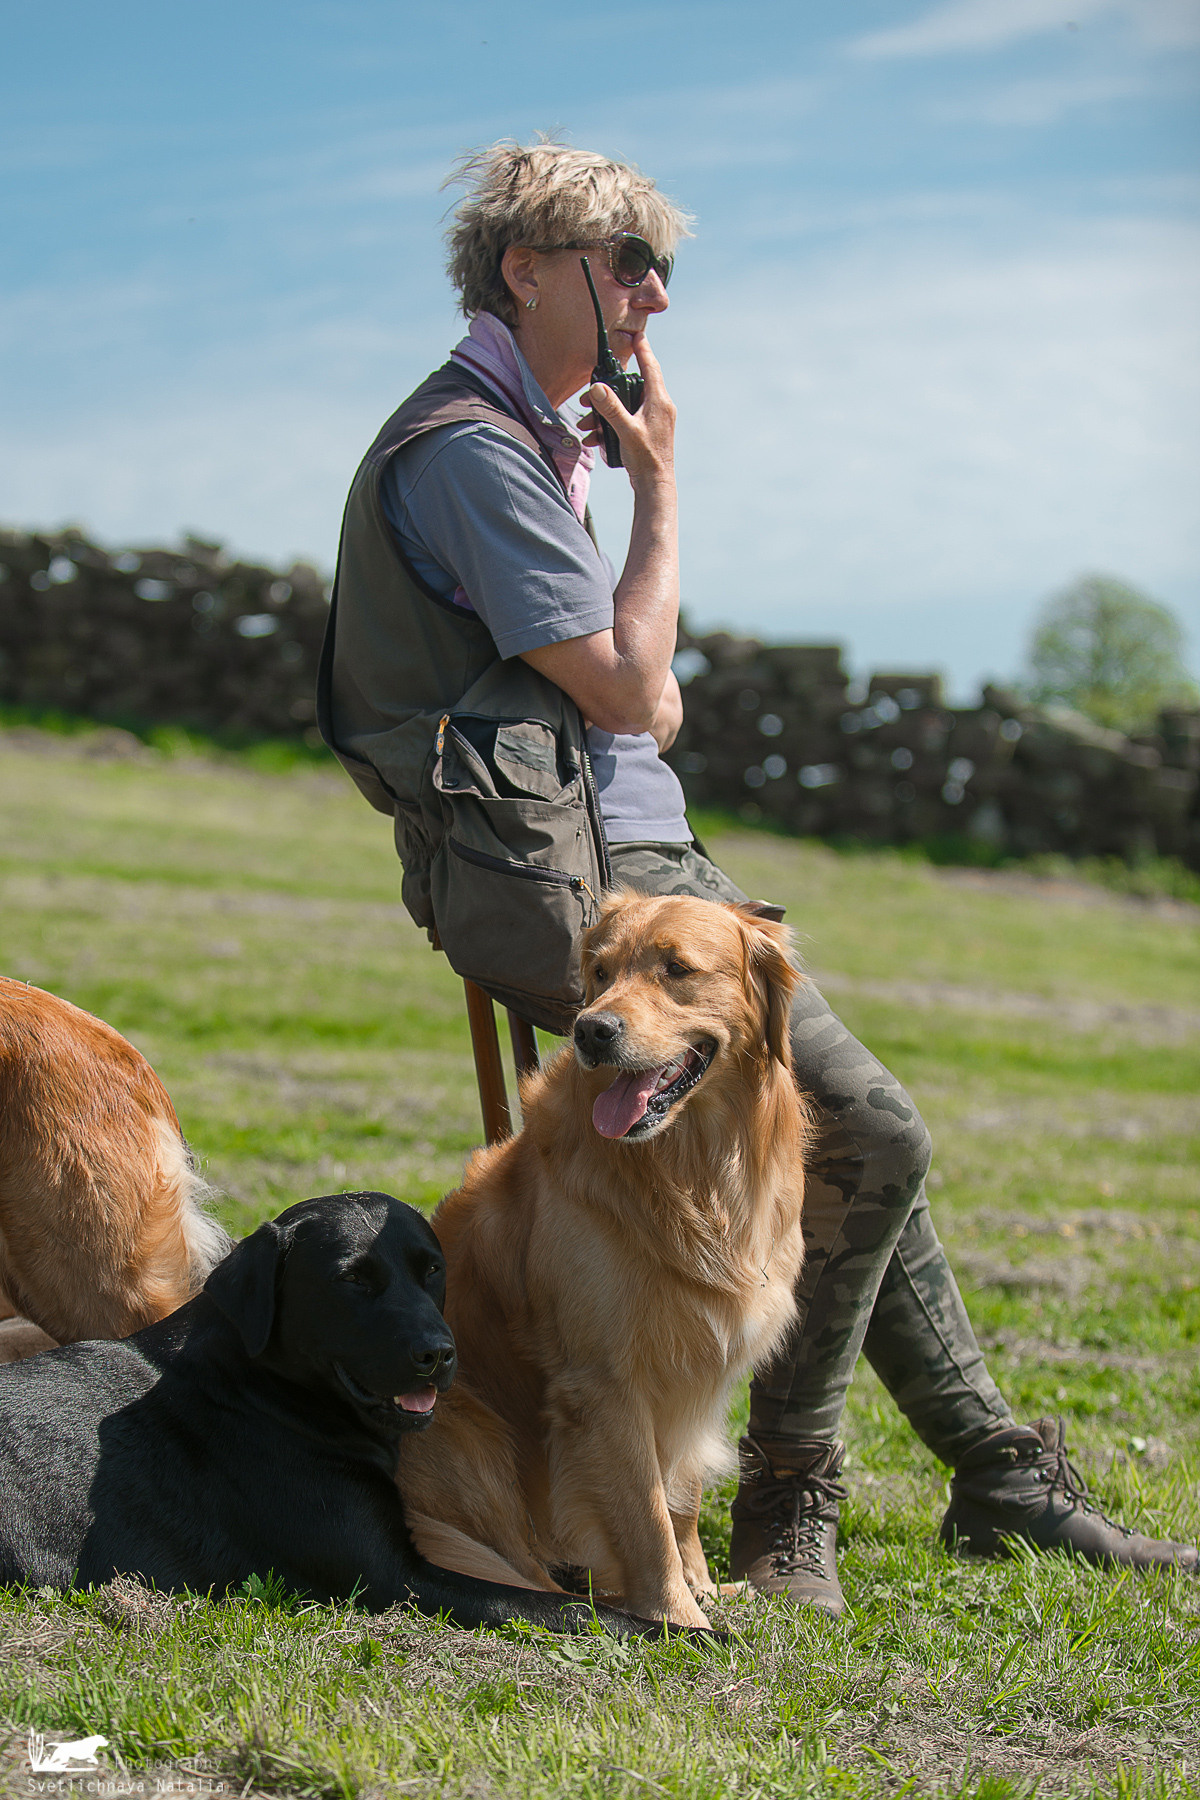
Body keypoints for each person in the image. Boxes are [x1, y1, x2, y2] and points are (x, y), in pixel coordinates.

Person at [321, 139, 1197, 1614]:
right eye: (623, 261)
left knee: (841, 1131)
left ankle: (990, 1470)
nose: (653, 293)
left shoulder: (529, 438)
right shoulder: (474, 450)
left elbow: (640, 701)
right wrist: (661, 492)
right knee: (875, 1130)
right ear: (525, 270)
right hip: (589, 880)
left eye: (662, 266)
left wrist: (634, 618)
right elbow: (629, 694)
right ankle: (798, 1495)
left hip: (627, 853)